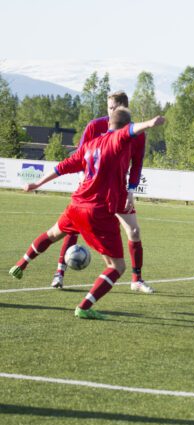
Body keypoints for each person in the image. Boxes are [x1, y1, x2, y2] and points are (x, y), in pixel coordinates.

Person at [9, 109, 165, 319]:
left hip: (76, 206)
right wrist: (150, 123)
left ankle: (21, 265)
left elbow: (63, 167)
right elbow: (130, 131)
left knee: (52, 233)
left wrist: (37, 183)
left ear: (109, 122)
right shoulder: (117, 139)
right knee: (117, 266)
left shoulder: (90, 145)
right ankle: (84, 306)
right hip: (97, 211)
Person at [51, 91, 154, 294]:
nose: (110, 113)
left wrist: (131, 190)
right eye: (108, 108)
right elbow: (81, 154)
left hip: (117, 191)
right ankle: (59, 272)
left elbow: (137, 163)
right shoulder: (95, 126)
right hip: (91, 189)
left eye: (114, 108)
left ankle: (137, 280)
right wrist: (83, 179)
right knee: (73, 227)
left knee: (134, 231)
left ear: (124, 109)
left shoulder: (135, 133)